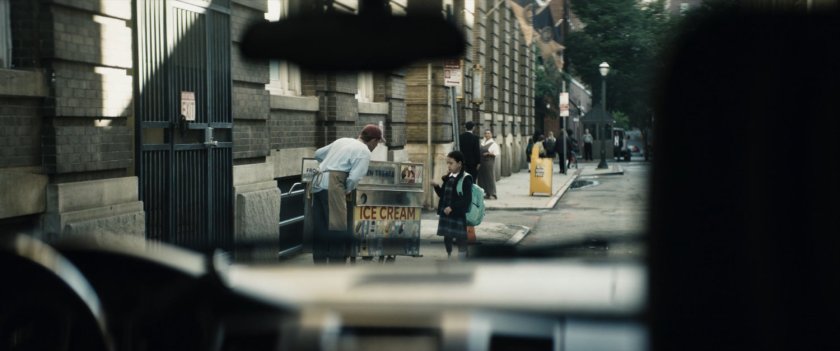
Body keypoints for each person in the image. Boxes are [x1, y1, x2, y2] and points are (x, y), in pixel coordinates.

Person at [309, 124, 384, 264]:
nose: (376, 146)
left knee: (320, 227)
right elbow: (355, 178)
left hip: (317, 183)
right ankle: (336, 265)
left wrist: (330, 163)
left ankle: (319, 264)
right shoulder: (364, 151)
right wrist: (346, 189)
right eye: (378, 143)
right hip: (333, 184)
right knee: (338, 228)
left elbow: (318, 154)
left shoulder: (342, 141)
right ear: (373, 140)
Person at [431, 150, 472, 260]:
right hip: (446, 213)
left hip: (457, 213)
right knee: (447, 237)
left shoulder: (465, 178)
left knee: (460, 238)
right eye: (447, 163)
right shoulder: (448, 177)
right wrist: (436, 186)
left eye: (451, 163)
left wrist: (452, 207)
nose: (448, 166)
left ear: (459, 164)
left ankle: (463, 258)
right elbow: (443, 195)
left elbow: (466, 199)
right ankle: (449, 255)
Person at [479, 129, 500, 200]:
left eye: (488, 133)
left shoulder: (493, 143)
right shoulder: (483, 142)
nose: (487, 135)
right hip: (482, 162)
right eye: (486, 133)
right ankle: (487, 193)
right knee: (482, 178)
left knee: (490, 177)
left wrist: (488, 153)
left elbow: (496, 153)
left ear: (491, 135)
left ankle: (493, 193)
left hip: (489, 162)